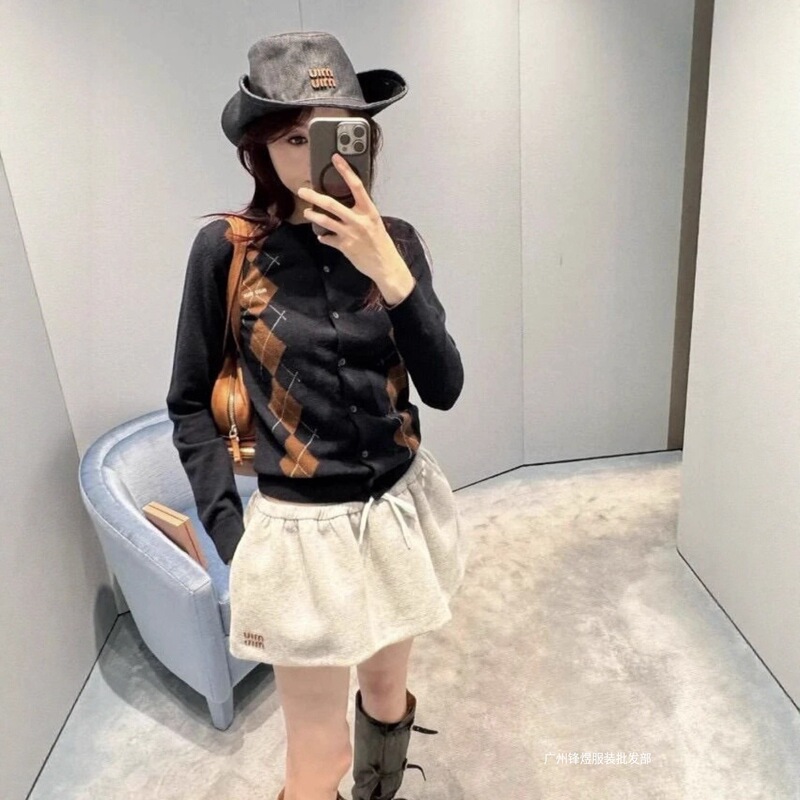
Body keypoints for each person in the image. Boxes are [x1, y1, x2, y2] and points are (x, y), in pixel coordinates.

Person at [166, 30, 471, 800]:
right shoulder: (228, 251)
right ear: (259, 150)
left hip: (396, 511)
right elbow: (189, 402)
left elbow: (444, 386)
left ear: (365, 138)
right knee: (316, 754)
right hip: (300, 536)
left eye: (337, 133)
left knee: (387, 697)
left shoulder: (397, 244)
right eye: (294, 138)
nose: (315, 158)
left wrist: (391, 275)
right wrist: (231, 535)